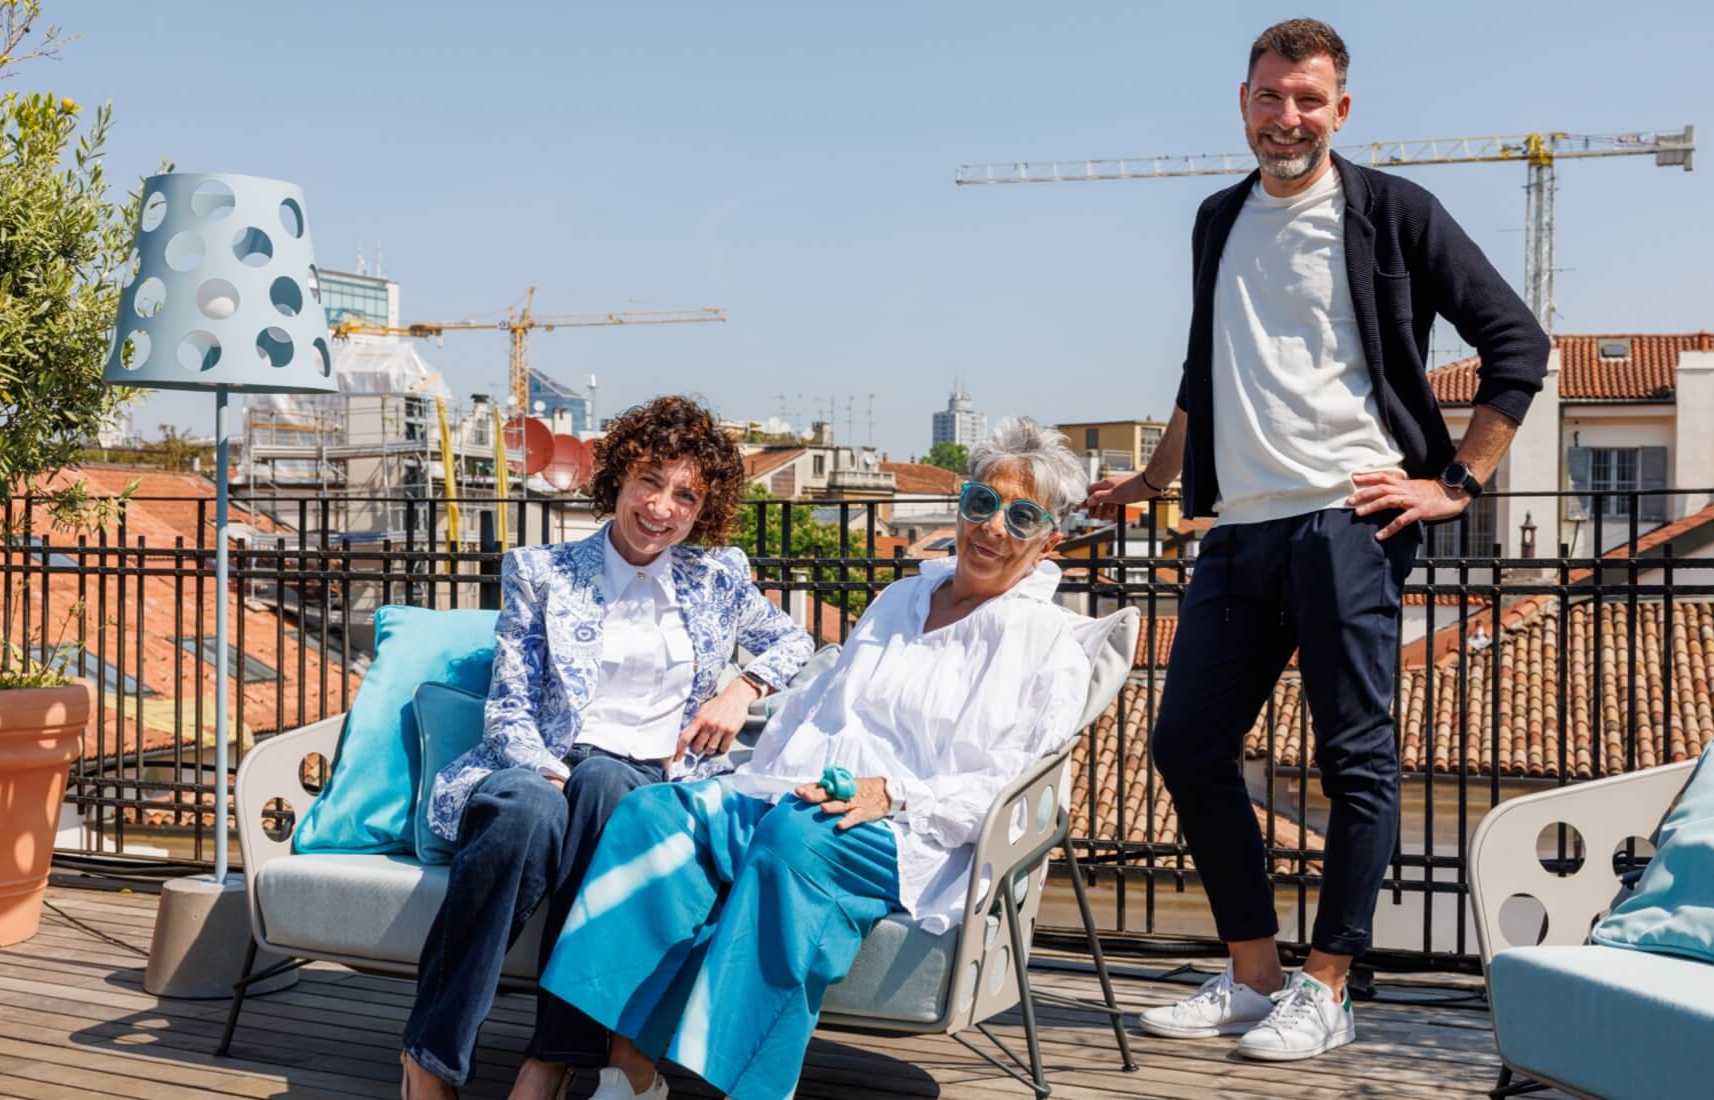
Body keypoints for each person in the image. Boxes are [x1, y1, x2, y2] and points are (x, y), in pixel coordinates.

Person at [1085, 19, 1548, 1062]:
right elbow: (1204, 373)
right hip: (1237, 525)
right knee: (1187, 743)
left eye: (1306, 99)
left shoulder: (1391, 212)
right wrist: (1154, 480)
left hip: (1349, 518)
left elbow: (1516, 343)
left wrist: (1453, 482)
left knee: (1353, 759)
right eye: (1268, 96)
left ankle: (1328, 983)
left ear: (1339, 110)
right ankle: (1254, 976)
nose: (1284, 116)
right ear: (1240, 102)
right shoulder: (1215, 219)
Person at [537, 418, 1093, 1100]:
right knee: (654, 813)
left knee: (794, 838)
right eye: (982, 502)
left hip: (911, 831)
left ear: (1049, 542)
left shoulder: (1049, 644)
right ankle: (628, 1076)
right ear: (964, 503)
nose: (993, 528)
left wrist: (890, 793)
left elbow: (1015, 784)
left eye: (1022, 516)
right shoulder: (901, 599)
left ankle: (745, 1088)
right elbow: (816, 705)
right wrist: (746, 781)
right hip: (797, 792)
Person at [401, 396, 815, 1100]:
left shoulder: (717, 576)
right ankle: (430, 1061)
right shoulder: (544, 571)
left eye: (685, 495)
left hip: (648, 782)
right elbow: (507, 705)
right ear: (619, 478)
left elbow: (793, 641)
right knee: (530, 813)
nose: (662, 508)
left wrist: (740, 688)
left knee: (610, 790)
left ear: (701, 510)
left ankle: (551, 1059)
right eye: (650, 483)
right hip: (539, 766)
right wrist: (544, 769)